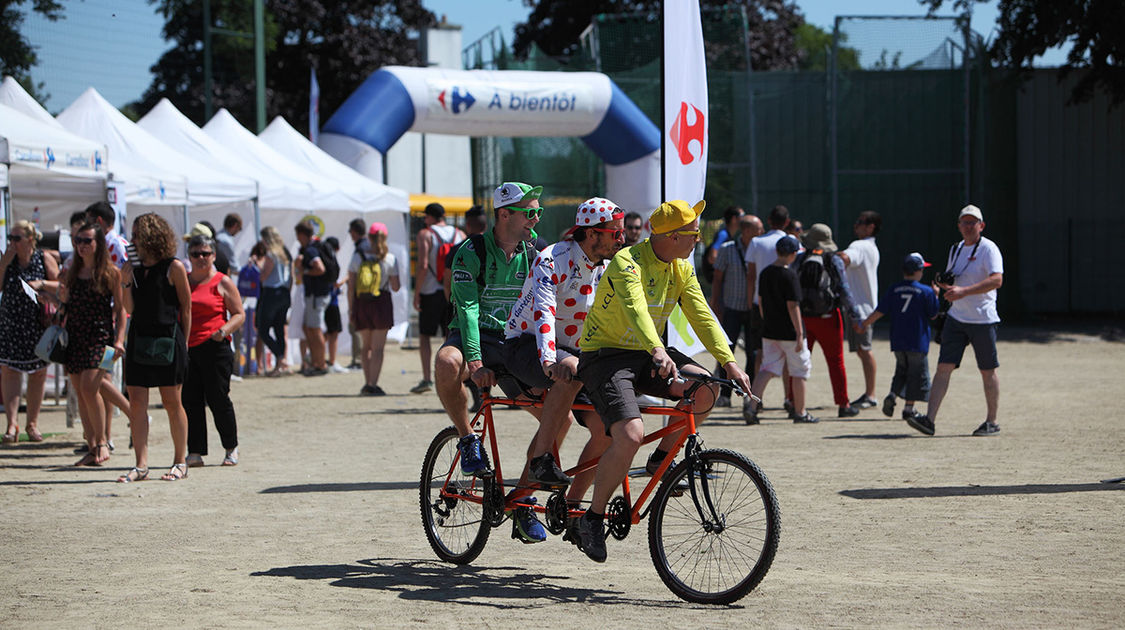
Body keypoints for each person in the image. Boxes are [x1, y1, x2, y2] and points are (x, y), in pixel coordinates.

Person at [570, 199, 753, 563]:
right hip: (605, 356)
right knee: (629, 434)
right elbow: (636, 308)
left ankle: (660, 460)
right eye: (693, 233)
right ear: (670, 237)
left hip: (647, 352)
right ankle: (591, 519)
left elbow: (702, 314)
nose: (698, 240)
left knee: (706, 388)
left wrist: (729, 361)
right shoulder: (627, 262)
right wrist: (656, 347)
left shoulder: (682, 268)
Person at [502, 197, 625, 543]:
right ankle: (541, 461)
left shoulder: (604, 266)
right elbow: (543, 315)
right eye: (614, 232)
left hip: (572, 351)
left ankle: (572, 512)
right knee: (567, 386)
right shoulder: (552, 259)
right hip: (524, 344)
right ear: (590, 234)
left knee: (606, 429)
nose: (620, 238)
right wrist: (550, 361)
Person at [435, 182, 543, 475]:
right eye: (529, 214)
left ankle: (523, 496)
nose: (535, 221)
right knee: (446, 362)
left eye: (538, 214)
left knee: (561, 419)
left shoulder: (537, 251)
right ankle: (468, 437)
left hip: (513, 341)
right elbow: (467, 310)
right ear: (505, 215)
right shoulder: (471, 252)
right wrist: (475, 362)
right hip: (475, 335)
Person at [908, 205, 1004, 437]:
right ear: (959, 225)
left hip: (982, 319)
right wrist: (944, 288)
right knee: (943, 368)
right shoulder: (956, 249)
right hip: (957, 317)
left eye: (973, 222)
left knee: (987, 370)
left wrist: (964, 291)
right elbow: (954, 278)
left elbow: (996, 280)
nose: (968, 226)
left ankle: (991, 421)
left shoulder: (989, 249)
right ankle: (929, 421)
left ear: (981, 225)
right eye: (965, 222)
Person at [118, 213, 192, 482]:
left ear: (151, 236)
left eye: (137, 234)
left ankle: (180, 461)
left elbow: (186, 307)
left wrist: (184, 343)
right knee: (137, 402)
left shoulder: (174, 267)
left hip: (167, 339)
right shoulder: (133, 269)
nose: (133, 240)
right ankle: (141, 464)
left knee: (172, 402)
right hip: (139, 337)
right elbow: (129, 310)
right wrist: (125, 283)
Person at [58, 222, 127, 466]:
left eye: (87, 241)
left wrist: (119, 340)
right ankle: (91, 446)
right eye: (78, 240)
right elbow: (65, 307)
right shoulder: (72, 273)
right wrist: (60, 298)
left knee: (90, 388)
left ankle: (102, 442)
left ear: (98, 244)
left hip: (103, 341)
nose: (82, 246)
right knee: (81, 392)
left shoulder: (110, 273)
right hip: (75, 339)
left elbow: (120, 311)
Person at [785, 223, 863, 419]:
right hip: (829, 317)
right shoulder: (833, 260)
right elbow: (844, 290)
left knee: (800, 361)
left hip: (804, 317)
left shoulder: (800, 259)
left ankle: (794, 402)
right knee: (836, 362)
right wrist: (855, 316)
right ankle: (843, 404)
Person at [182, 234, 245, 468]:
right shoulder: (184, 281)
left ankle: (231, 447)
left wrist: (223, 330)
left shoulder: (222, 281)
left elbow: (239, 313)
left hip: (215, 346)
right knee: (190, 400)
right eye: (195, 254)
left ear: (214, 256)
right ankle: (195, 451)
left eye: (205, 254)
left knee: (218, 399)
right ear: (189, 256)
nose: (200, 258)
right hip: (188, 347)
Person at [860, 253, 940, 425]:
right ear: (918, 271)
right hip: (917, 341)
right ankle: (908, 409)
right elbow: (933, 315)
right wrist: (936, 295)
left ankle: (892, 394)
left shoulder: (894, 289)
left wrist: (865, 323)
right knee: (915, 375)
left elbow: (880, 311)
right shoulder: (926, 291)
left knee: (901, 370)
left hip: (898, 340)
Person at [746, 236, 818, 425]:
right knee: (800, 371)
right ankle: (800, 412)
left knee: (766, 369)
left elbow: (760, 301)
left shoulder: (766, 273)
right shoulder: (790, 275)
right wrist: (800, 333)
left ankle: (751, 407)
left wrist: (766, 321)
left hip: (770, 330)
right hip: (790, 332)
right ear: (793, 254)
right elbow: (793, 305)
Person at [0, 220, 60, 444]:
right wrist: (3, 265)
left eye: (17, 238)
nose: (12, 243)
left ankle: (32, 424)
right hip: (11, 322)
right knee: (9, 371)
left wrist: (42, 284)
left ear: (30, 239)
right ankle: (11, 425)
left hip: (37, 323)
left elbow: (60, 286)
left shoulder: (43, 258)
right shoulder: (8, 260)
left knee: (38, 374)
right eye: (10, 238)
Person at [742, 204, 790, 420]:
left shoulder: (757, 242)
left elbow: (751, 275)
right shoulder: (790, 244)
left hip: (759, 304)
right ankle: (791, 399)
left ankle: (754, 399)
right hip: (786, 305)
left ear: (769, 222)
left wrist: (749, 300)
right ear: (787, 222)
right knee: (790, 354)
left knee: (759, 354)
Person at [709, 213, 762, 406]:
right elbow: (717, 278)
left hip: (753, 309)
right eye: (758, 229)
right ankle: (725, 394)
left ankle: (751, 395)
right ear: (746, 231)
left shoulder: (759, 249)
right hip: (731, 307)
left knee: (753, 353)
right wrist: (716, 303)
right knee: (727, 351)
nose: (761, 233)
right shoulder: (727, 249)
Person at [412, 203, 465, 394]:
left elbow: (423, 265)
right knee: (451, 336)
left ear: (430, 217)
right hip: (452, 291)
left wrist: (416, 292)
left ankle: (427, 378)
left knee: (425, 335)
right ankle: (455, 375)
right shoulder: (460, 234)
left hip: (430, 290)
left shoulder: (425, 234)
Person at [348, 223, 400, 395]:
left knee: (366, 347)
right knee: (378, 348)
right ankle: (373, 383)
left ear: (368, 237)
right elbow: (396, 286)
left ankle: (366, 382)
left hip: (362, 303)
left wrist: (351, 309)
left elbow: (351, 286)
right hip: (381, 302)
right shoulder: (390, 258)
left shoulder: (358, 256)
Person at [838, 210, 882, 409]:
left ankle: (871, 395)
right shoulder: (870, 247)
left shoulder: (860, 246)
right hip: (863, 308)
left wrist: (828, 256)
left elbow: (845, 258)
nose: (856, 225)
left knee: (865, 350)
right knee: (863, 352)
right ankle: (869, 393)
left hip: (860, 310)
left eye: (861, 222)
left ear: (871, 226)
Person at [253, 227, 293, 377]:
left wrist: (257, 266)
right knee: (279, 329)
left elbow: (263, 277)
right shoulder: (285, 254)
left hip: (271, 293)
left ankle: (280, 359)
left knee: (262, 329)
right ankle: (280, 364)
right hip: (284, 293)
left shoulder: (271, 254)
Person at [293, 220, 332, 376]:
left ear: (303, 234)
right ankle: (316, 362)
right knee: (310, 328)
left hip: (316, 295)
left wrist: (304, 271)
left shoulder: (310, 250)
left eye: (298, 235)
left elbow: (320, 268)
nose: (297, 239)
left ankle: (321, 364)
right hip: (317, 294)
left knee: (315, 330)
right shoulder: (315, 247)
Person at [322, 236, 347, 373]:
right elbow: (335, 284)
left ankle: (315, 354)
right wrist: (346, 279)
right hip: (332, 300)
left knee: (326, 332)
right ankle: (332, 361)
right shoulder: (331, 261)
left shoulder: (324, 259)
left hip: (325, 299)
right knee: (334, 332)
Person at [345, 219, 368, 370]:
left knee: (356, 329)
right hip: (375, 294)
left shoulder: (359, 250)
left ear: (354, 231)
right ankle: (363, 359)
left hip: (360, 295)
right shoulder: (372, 246)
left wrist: (351, 304)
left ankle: (359, 360)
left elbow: (352, 279)